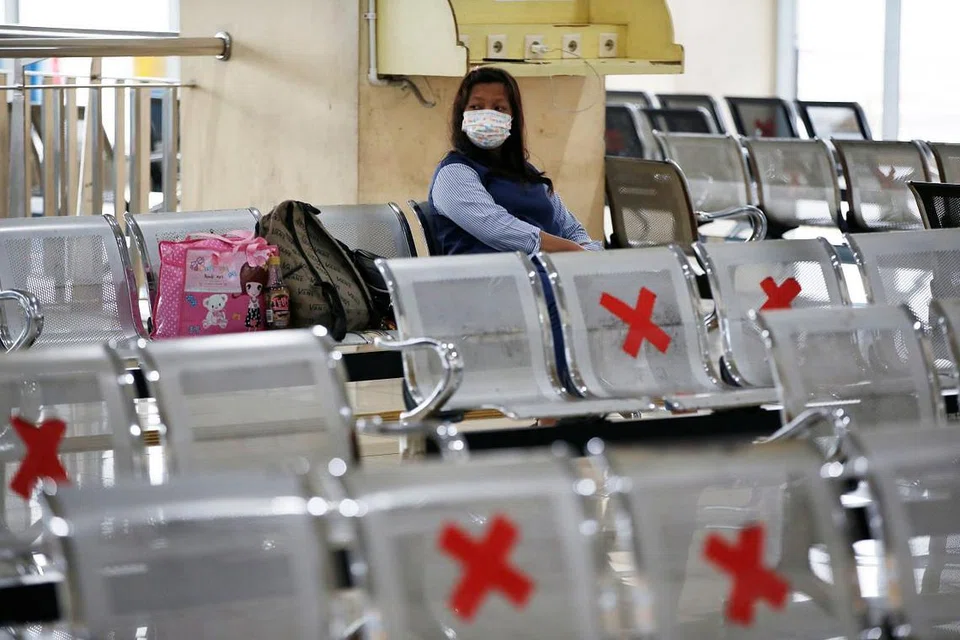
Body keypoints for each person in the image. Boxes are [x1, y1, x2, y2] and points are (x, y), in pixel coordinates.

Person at [428, 67, 602, 396]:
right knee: (561, 298)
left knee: (622, 284)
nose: (487, 115)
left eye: (499, 108)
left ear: (513, 117)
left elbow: (570, 227)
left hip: (541, 276)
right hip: (488, 286)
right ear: (461, 115)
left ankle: (633, 390)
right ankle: (562, 405)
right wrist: (574, 255)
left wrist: (591, 254)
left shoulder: (528, 173)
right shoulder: (455, 174)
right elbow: (501, 231)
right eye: (476, 107)